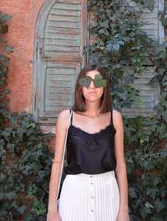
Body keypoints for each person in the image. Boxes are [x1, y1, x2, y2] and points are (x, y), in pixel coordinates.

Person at [46, 64, 130, 221]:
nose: (92, 87)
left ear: (105, 87)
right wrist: (52, 210)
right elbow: (57, 163)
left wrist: (124, 209)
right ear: (80, 86)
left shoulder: (115, 117)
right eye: (87, 82)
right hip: (73, 194)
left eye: (98, 82)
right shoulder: (66, 117)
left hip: (108, 193)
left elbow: (120, 165)